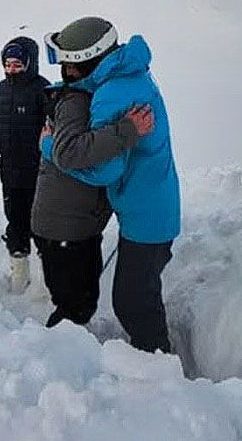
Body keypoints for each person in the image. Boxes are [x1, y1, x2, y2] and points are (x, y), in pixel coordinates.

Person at [41, 17, 181, 353]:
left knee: (133, 303)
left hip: (145, 216)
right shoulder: (130, 74)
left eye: (68, 64)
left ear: (88, 61)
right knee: (139, 294)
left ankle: (159, 368)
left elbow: (104, 171)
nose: (64, 72)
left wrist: (49, 145)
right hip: (153, 204)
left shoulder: (111, 94)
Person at [32, 79, 154, 327]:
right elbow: (71, 154)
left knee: (79, 301)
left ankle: (63, 350)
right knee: (74, 306)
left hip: (75, 225)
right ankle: (54, 356)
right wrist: (128, 129)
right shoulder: (76, 102)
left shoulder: (85, 100)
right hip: (64, 228)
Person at [0, 37, 49, 292]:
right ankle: (19, 277)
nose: (11, 70)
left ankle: (44, 283)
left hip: (41, 175)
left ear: (30, 64)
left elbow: (56, 134)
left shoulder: (43, 90)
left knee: (42, 225)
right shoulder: (0, 92)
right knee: (16, 223)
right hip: (11, 175)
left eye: (17, 64)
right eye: (7, 64)